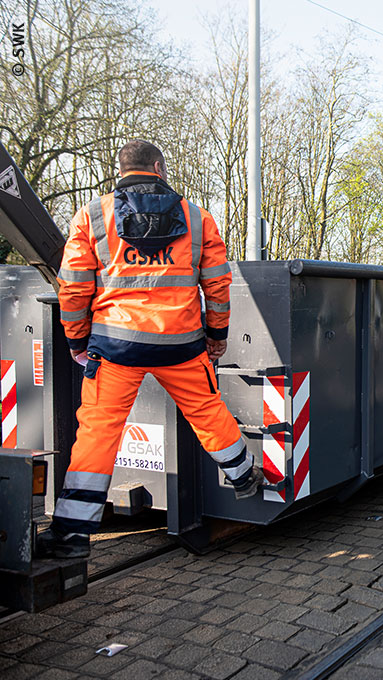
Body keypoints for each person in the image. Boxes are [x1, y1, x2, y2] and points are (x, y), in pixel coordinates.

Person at [36, 140, 263, 559]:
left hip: (116, 345)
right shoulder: (197, 218)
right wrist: (216, 335)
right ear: (158, 167)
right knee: (206, 410)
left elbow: (73, 287)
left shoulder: (92, 216)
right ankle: (245, 475)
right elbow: (217, 284)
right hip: (181, 344)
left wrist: (76, 339)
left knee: (99, 432)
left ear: (120, 170)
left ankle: (71, 535)